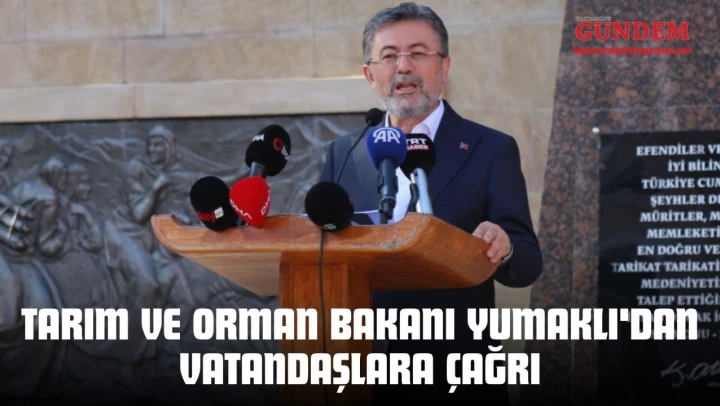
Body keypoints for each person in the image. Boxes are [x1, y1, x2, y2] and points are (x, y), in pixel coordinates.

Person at [319, 2, 543, 404]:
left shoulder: (490, 149)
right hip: (360, 375)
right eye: (390, 56)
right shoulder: (344, 153)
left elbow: (527, 262)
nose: (403, 66)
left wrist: (504, 245)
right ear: (370, 74)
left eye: (418, 53)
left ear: (444, 66)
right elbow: (321, 247)